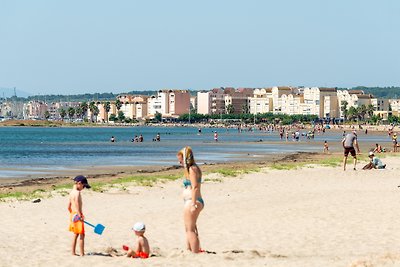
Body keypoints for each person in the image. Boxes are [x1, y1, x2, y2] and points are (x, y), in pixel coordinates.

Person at [176, 146, 204, 253]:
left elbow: (195, 186)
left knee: (190, 229)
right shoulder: (191, 169)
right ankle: (190, 249)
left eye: (180, 161)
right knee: (189, 228)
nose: (180, 163)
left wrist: (193, 204)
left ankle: (195, 251)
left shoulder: (192, 169)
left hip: (193, 201)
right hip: (191, 201)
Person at [68, 175, 91, 256]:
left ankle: (73, 252)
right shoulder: (77, 193)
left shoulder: (71, 192)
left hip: (72, 215)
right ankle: (82, 253)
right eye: (84, 186)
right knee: (82, 234)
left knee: (75, 234)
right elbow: (77, 204)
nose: (83, 188)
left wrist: (72, 214)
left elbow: (68, 206)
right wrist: (79, 215)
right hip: (77, 215)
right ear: (79, 183)